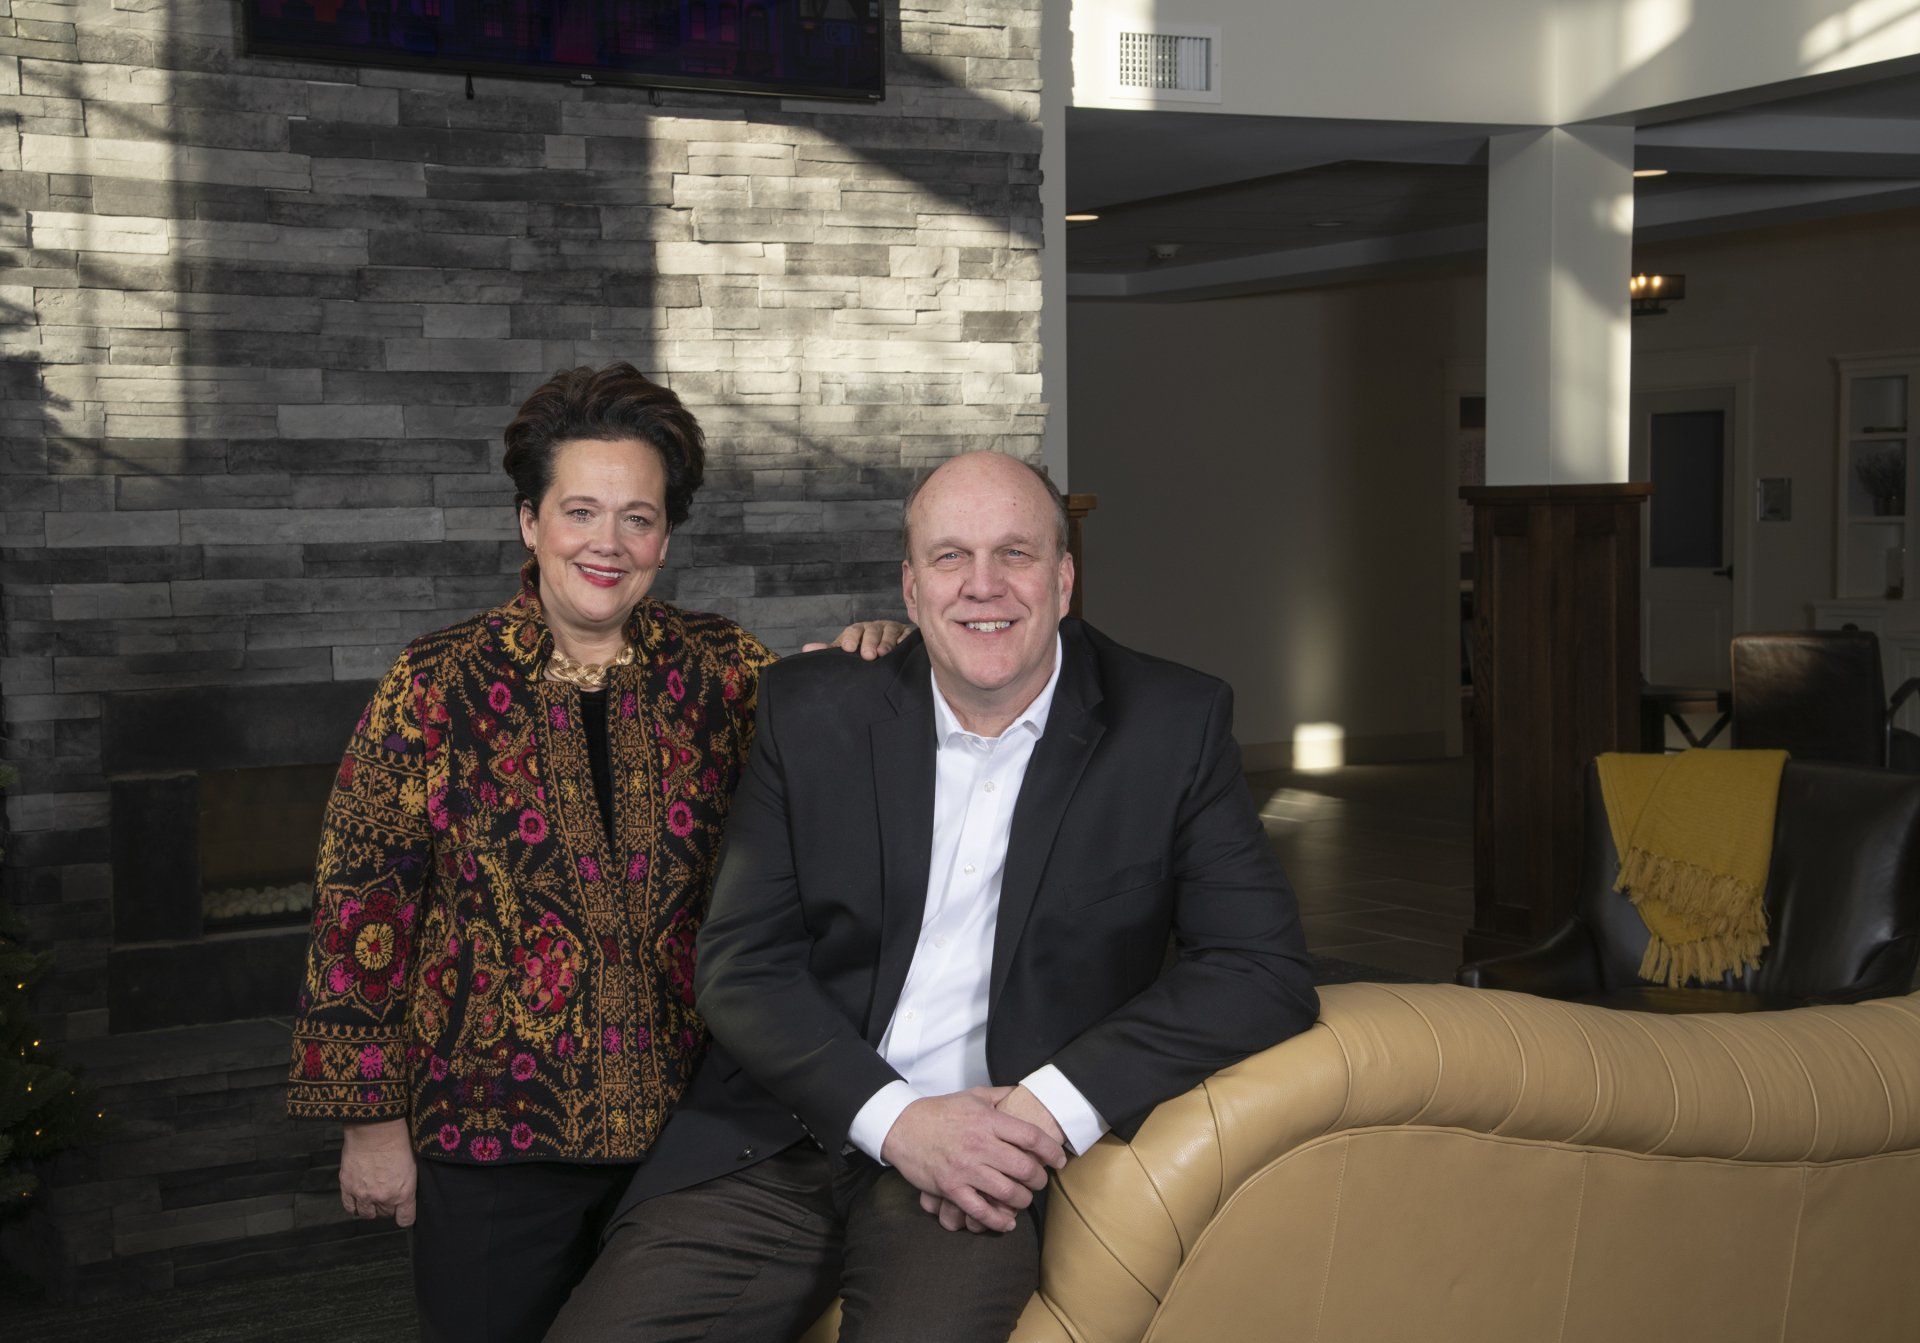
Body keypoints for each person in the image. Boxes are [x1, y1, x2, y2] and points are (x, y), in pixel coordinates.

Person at [548, 451, 1319, 1343]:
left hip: (987, 1162)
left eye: (1016, 554)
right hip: (789, 1131)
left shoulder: (1171, 723)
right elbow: (741, 964)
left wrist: (1048, 1109)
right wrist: (898, 1119)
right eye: (950, 557)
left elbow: (1260, 967)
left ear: (1065, 580)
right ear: (910, 592)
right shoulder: (812, 710)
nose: (983, 586)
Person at [285, 363, 908, 1343]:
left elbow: (838, 768)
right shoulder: (435, 680)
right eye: (580, 510)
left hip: (688, 1138)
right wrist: (371, 1119)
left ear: (666, 535)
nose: (608, 543)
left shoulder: (727, 670)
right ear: (529, 522)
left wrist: (883, 655)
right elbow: (361, 906)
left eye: (639, 517)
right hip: (488, 1138)